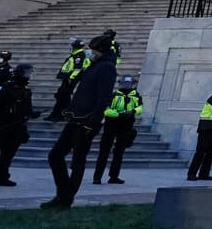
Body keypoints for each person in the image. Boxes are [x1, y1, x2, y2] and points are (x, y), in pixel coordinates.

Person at [42, 35, 115, 209]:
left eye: (92, 49)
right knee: (55, 155)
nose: (89, 51)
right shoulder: (94, 65)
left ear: (100, 50)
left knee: (77, 160)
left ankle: (65, 198)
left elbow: (103, 96)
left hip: (87, 120)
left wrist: (94, 120)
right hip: (76, 117)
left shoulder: (106, 68)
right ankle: (64, 194)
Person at [93, 75, 142, 185]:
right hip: (111, 125)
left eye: (129, 85)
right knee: (104, 151)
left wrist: (132, 112)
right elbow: (106, 110)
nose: (127, 87)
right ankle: (97, 177)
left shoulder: (136, 96)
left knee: (119, 152)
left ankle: (114, 176)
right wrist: (119, 114)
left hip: (126, 126)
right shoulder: (114, 95)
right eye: (125, 85)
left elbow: (140, 108)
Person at [47, 38, 89, 121]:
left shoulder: (79, 55)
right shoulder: (75, 54)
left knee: (63, 96)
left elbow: (77, 69)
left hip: (70, 79)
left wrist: (71, 78)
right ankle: (59, 113)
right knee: (62, 95)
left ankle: (61, 114)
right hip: (67, 78)